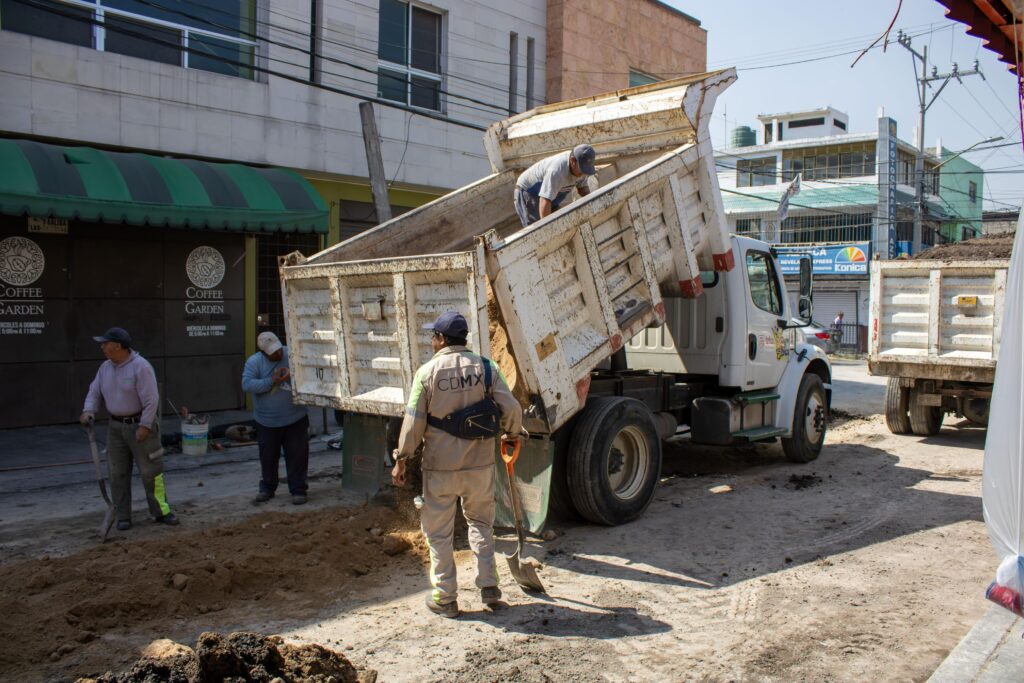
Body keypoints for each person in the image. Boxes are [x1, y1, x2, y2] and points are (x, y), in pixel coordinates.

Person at [391, 311, 523, 618]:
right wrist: (512, 435)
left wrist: (401, 460)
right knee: (481, 524)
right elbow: (512, 407)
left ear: (439, 340)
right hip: (479, 467)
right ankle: (489, 586)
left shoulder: (427, 373)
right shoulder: (488, 368)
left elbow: (413, 424)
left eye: (432, 337)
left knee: (438, 533)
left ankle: (446, 598)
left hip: (440, 469)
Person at [80, 327, 178, 530]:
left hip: (140, 425)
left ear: (117, 346)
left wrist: (145, 425)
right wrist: (89, 410)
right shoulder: (105, 368)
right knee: (117, 473)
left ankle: (161, 511)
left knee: (151, 472)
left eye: (105, 343)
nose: (102, 347)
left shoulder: (140, 367)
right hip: (116, 427)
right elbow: (94, 391)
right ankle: (122, 515)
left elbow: (152, 401)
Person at [242, 331, 310, 505]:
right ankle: (267, 487)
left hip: (296, 417)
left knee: (297, 455)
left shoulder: (291, 353)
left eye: (279, 350)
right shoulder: (254, 362)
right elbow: (247, 384)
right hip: (267, 421)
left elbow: (308, 369)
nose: (279, 354)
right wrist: (272, 381)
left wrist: (294, 375)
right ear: (264, 353)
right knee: (268, 457)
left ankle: (298, 489)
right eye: (273, 353)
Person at [514, 144, 598, 227]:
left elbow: (583, 189)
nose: (583, 173)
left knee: (560, 224)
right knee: (538, 229)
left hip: (550, 195)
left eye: (587, 170)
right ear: (572, 161)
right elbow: (545, 200)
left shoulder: (581, 170)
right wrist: (548, 228)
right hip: (529, 191)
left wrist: (594, 206)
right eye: (582, 169)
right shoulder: (557, 171)